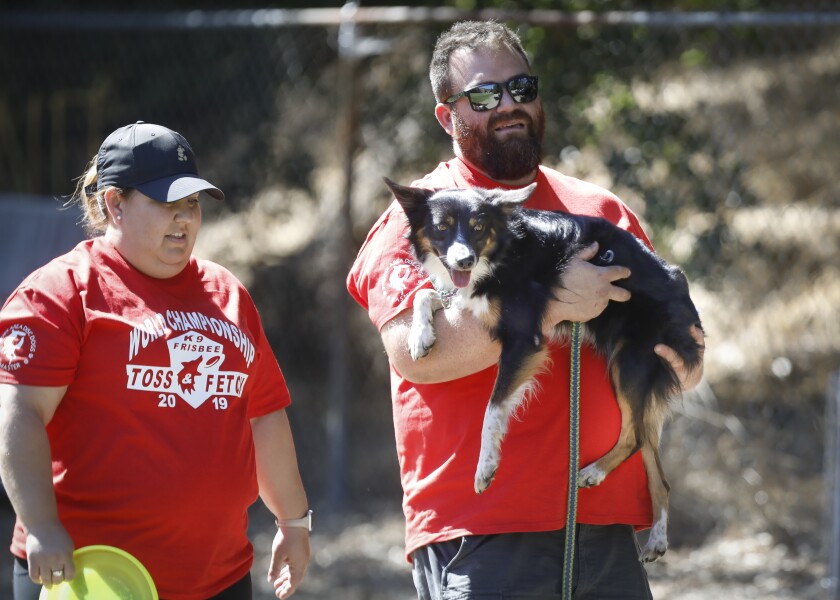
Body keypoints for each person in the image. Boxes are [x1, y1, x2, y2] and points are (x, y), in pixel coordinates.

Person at [347, 20, 705, 599]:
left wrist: (683, 353)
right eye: (486, 95)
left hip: (608, 525)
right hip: (486, 533)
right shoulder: (421, 219)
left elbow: (679, 346)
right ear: (448, 116)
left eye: (522, 87)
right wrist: (557, 303)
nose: (509, 105)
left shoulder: (599, 209)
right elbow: (416, 357)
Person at [0, 121, 311, 600]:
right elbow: (19, 414)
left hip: (218, 576)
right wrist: (40, 525)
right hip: (93, 576)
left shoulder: (227, 294)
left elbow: (263, 415)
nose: (184, 219)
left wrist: (293, 520)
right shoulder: (61, 293)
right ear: (115, 204)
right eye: (167, 204)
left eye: (192, 204)